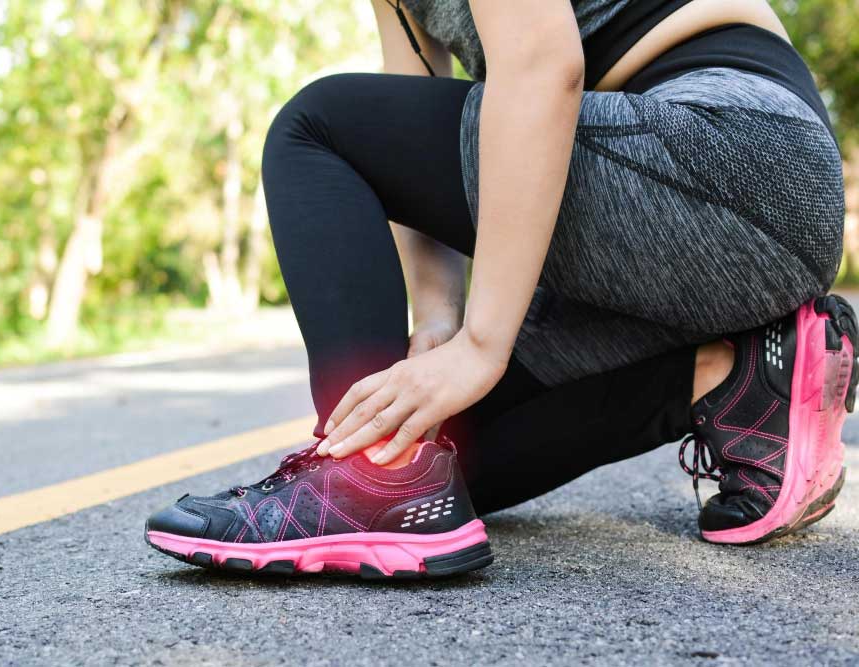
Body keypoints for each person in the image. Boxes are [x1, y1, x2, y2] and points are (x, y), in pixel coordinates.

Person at [145, 0, 856, 578]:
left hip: (734, 154)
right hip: (679, 215)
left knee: (315, 127)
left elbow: (543, 66)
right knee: (443, 459)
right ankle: (737, 371)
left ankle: (365, 485)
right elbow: (412, 125)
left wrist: (482, 346)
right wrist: (438, 323)